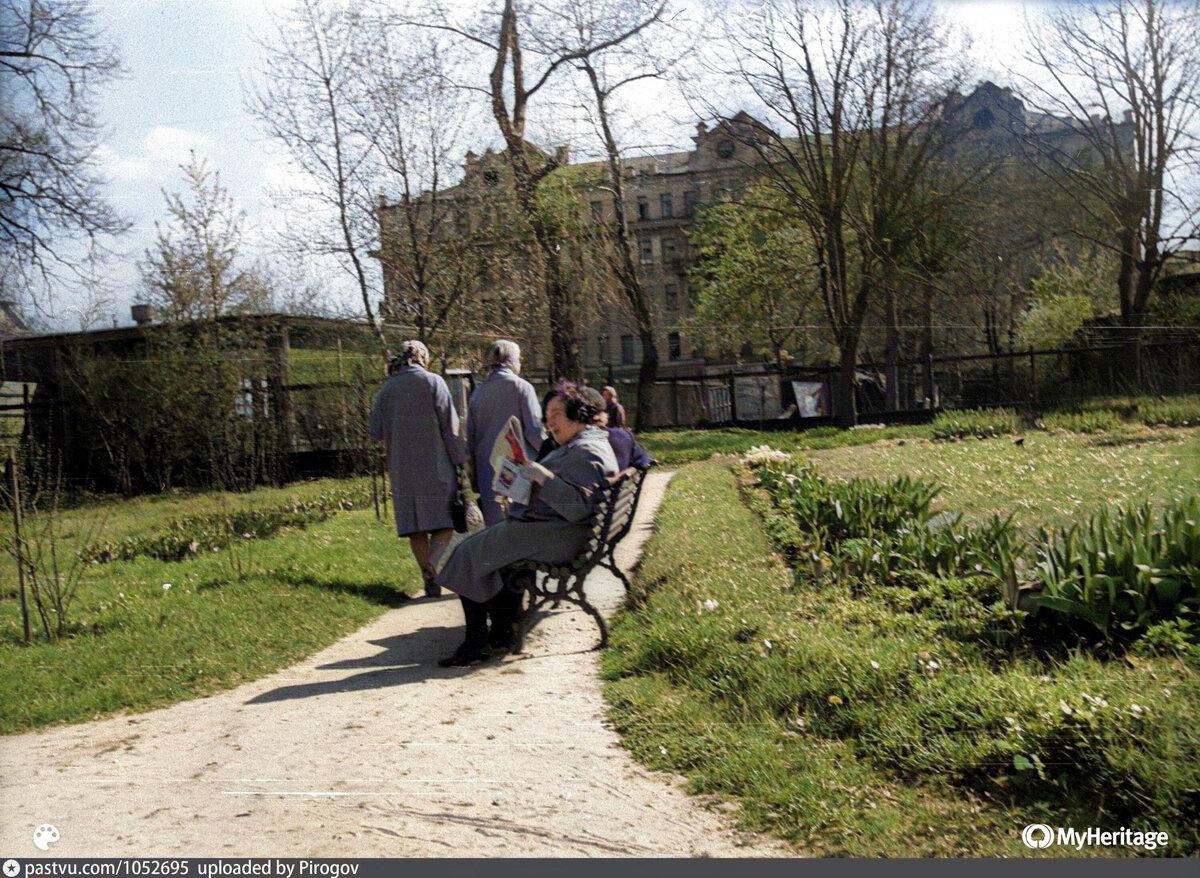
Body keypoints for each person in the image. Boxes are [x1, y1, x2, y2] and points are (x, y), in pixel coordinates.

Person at [432, 383, 618, 666]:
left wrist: (542, 476)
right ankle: (502, 631)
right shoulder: (584, 444)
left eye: (556, 413)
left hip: (558, 537)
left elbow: (577, 508)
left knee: (468, 552)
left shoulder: (585, 450)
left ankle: (476, 642)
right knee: (483, 550)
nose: (550, 421)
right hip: (554, 531)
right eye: (547, 415)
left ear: (579, 413)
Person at [369, 340, 466, 598]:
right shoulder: (434, 383)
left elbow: (375, 432)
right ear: (421, 357)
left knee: (416, 526)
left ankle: (427, 572)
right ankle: (433, 565)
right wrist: (460, 461)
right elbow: (450, 427)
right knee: (447, 520)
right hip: (437, 465)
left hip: (402, 470)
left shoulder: (385, 390)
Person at [465, 339, 544, 649]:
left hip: (489, 479)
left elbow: (470, 441)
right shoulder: (522, 388)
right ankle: (514, 612)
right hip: (520, 480)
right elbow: (536, 433)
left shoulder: (478, 394)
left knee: (498, 543)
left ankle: (501, 613)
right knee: (520, 542)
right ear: (513, 360)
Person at [581, 387, 653, 470]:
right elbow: (643, 459)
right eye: (603, 395)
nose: (604, 396)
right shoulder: (624, 437)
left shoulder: (616, 407)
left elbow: (619, 422)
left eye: (606, 395)